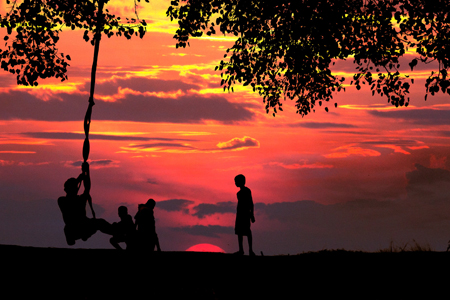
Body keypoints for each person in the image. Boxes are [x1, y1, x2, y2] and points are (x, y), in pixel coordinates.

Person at [57, 161, 113, 245]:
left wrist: (87, 171)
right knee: (68, 229)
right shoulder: (62, 200)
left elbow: (87, 188)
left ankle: (116, 233)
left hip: (84, 226)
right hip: (74, 228)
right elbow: (73, 199)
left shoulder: (79, 199)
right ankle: (79, 236)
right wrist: (80, 178)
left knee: (100, 222)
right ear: (66, 190)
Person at [234, 174, 255, 256]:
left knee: (247, 231)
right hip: (239, 214)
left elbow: (250, 203)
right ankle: (241, 250)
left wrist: (252, 214)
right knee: (239, 232)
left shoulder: (247, 191)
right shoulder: (238, 193)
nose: (235, 183)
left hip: (245, 214)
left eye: (236, 181)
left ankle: (250, 250)